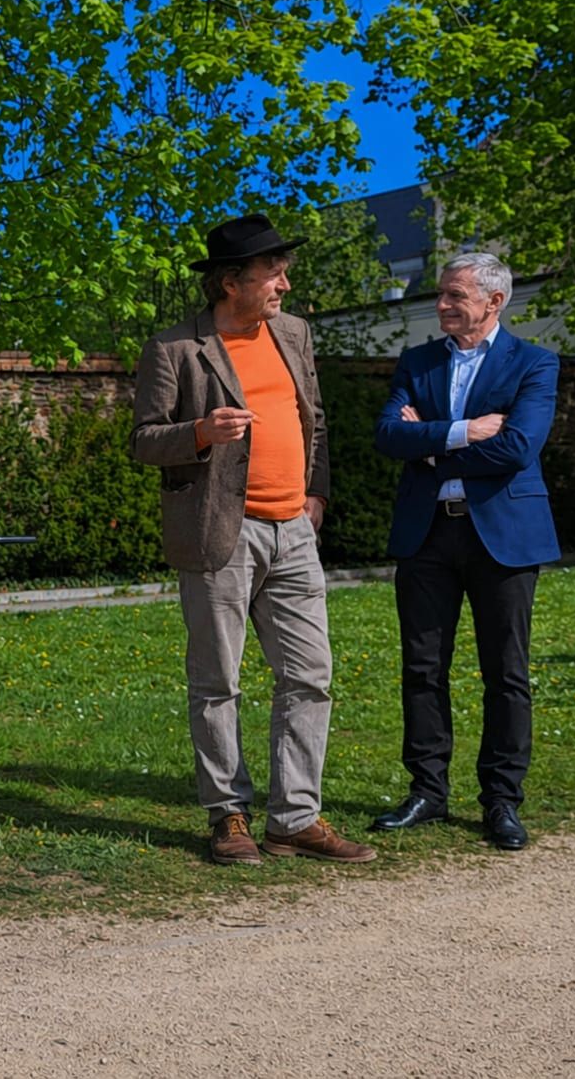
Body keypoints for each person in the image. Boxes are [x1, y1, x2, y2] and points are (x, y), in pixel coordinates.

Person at [130, 213, 375, 866]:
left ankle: (294, 819)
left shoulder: (293, 333)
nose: (284, 286)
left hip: (293, 529)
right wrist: (200, 432)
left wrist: (315, 495)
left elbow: (312, 415)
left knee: (310, 675)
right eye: (273, 274)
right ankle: (228, 814)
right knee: (218, 680)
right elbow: (143, 441)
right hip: (220, 534)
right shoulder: (175, 348)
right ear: (230, 282)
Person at [371, 253, 559, 851]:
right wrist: (463, 430)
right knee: (422, 668)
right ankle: (427, 791)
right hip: (427, 535)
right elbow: (387, 435)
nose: (443, 304)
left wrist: (428, 447)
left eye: (455, 295)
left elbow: (518, 446)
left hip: (503, 536)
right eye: (442, 294)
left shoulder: (534, 362)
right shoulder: (418, 361)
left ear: (494, 301)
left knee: (506, 672)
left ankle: (502, 800)